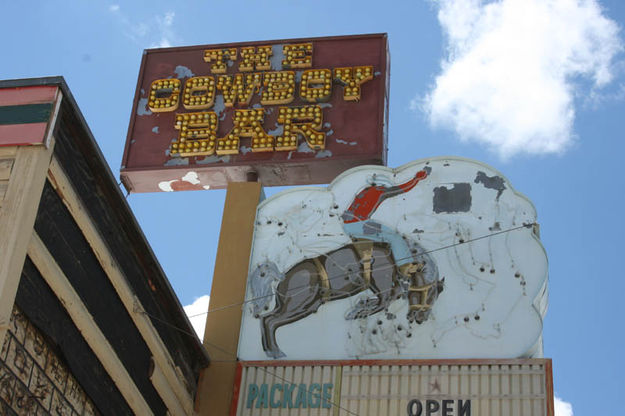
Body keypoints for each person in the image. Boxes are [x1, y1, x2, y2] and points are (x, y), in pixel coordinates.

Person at [341, 167, 430, 275]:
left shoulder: (365, 190)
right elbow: (402, 189)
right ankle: (405, 265)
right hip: (360, 224)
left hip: (350, 225)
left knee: (386, 235)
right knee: (395, 237)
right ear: (383, 185)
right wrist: (416, 179)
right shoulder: (379, 191)